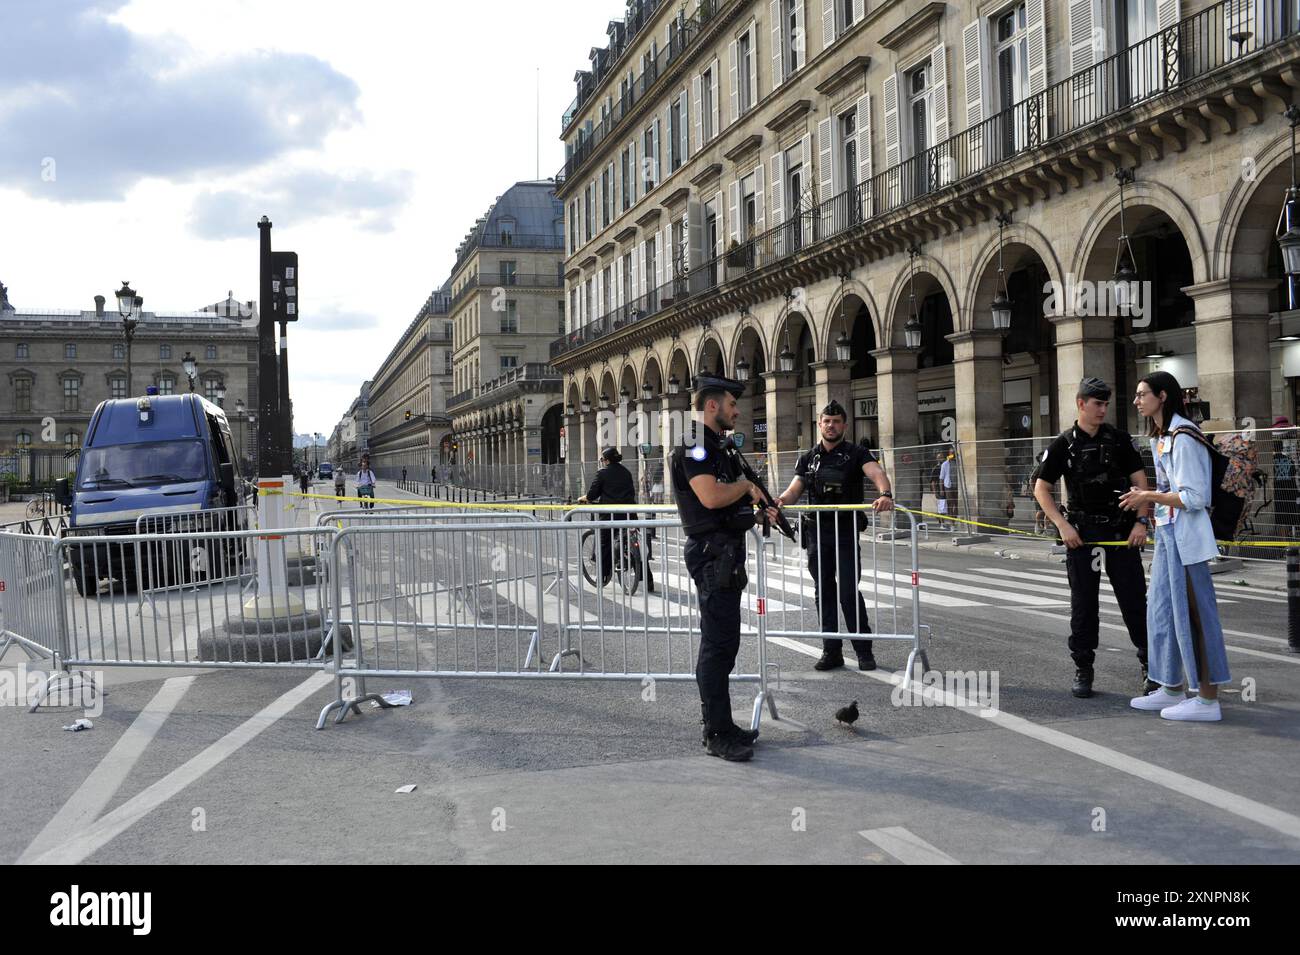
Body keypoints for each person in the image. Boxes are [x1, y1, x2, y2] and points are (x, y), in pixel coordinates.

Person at [670, 374, 778, 762]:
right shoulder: (695, 444)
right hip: (712, 552)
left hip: (725, 553)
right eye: (732, 404)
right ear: (712, 405)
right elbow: (711, 496)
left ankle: (724, 723)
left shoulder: (717, 445)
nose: (737, 411)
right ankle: (715, 733)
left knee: (726, 643)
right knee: (717, 646)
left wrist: (758, 500)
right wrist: (747, 489)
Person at [1033, 377, 1154, 699]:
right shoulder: (1064, 443)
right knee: (1084, 607)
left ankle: (1149, 665)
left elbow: (1141, 482)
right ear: (1081, 403)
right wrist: (1062, 525)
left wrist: (1142, 522)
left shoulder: (1119, 440)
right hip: (1082, 536)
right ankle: (1083, 667)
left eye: (1105, 404)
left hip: (1120, 533)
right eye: (1097, 403)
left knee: (1134, 602)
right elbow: (1041, 488)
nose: (1102, 410)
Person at [1121, 371, 1231, 722]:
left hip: (1187, 538)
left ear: (1163, 396)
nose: (1137, 401)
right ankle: (1170, 686)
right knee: (1163, 611)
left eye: (1142, 394)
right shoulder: (1162, 436)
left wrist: (1147, 496)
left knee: (1196, 614)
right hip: (1169, 534)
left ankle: (1208, 698)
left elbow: (1195, 496)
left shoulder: (1184, 435)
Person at [777, 401, 894, 671]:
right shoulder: (809, 458)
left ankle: (864, 651)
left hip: (845, 533)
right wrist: (780, 501)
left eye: (836, 421)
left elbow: (876, 473)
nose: (831, 426)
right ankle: (831, 651)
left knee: (848, 592)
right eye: (826, 421)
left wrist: (885, 493)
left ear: (844, 425)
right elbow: (795, 488)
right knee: (824, 592)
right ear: (819, 424)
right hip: (817, 533)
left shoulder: (857, 453)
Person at [577, 447, 653, 592]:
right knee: (638, 544)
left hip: (610, 514)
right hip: (629, 513)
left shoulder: (602, 473)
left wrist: (584, 498)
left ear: (606, 460)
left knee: (605, 543)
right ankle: (648, 580)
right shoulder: (626, 472)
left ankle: (604, 575)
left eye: (602, 459)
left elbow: (592, 494)